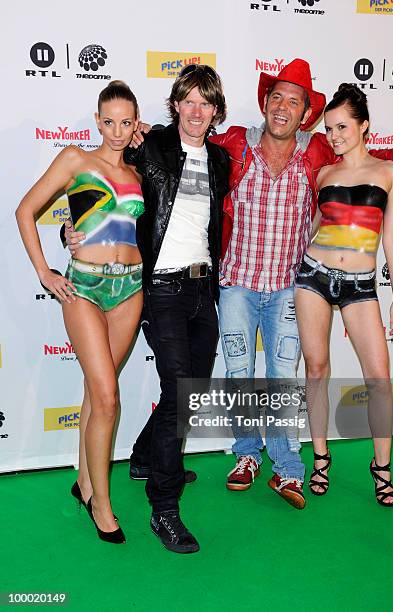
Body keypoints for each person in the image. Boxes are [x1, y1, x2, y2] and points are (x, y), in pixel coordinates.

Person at [210, 58, 393, 510]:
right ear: (265, 102)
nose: (284, 108)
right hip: (268, 281)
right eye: (277, 97)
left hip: (322, 283)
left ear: (308, 113)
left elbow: (380, 208)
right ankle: (273, 457)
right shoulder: (250, 146)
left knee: (322, 377)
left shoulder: (330, 155)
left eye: (296, 101)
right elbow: (195, 136)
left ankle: (322, 468)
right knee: (260, 373)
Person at [65, 65, 229, 553]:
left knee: (191, 392)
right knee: (178, 391)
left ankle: (142, 456)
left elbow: (299, 146)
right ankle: (164, 507)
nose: (196, 112)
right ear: (175, 105)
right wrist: (70, 233)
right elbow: (105, 195)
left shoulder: (222, 159)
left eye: (206, 104)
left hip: (204, 288)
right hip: (159, 287)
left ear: (216, 111)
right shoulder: (150, 147)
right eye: (188, 101)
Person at [16, 81, 144, 543]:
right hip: (84, 286)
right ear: (96, 121)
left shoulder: (140, 171)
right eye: (108, 121)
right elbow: (25, 210)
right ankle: (101, 504)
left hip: (130, 289)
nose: (115, 130)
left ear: (135, 123)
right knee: (108, 396)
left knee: (97, 387)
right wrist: (45, 272)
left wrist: (146, 137)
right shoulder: (75, 159)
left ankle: (83, 480)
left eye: (125, 122)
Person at [294, 83, 393, 507]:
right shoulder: (324, 174)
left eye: (342, 127)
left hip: (361, 285)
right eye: (329, 129)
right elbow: (313, 227)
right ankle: (321, 457)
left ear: (364, 126)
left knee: (379, 379)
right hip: (314, 277)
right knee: (317, 369)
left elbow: (392, 238)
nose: (335, 135)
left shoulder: (389, 173)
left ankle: (382, 469)